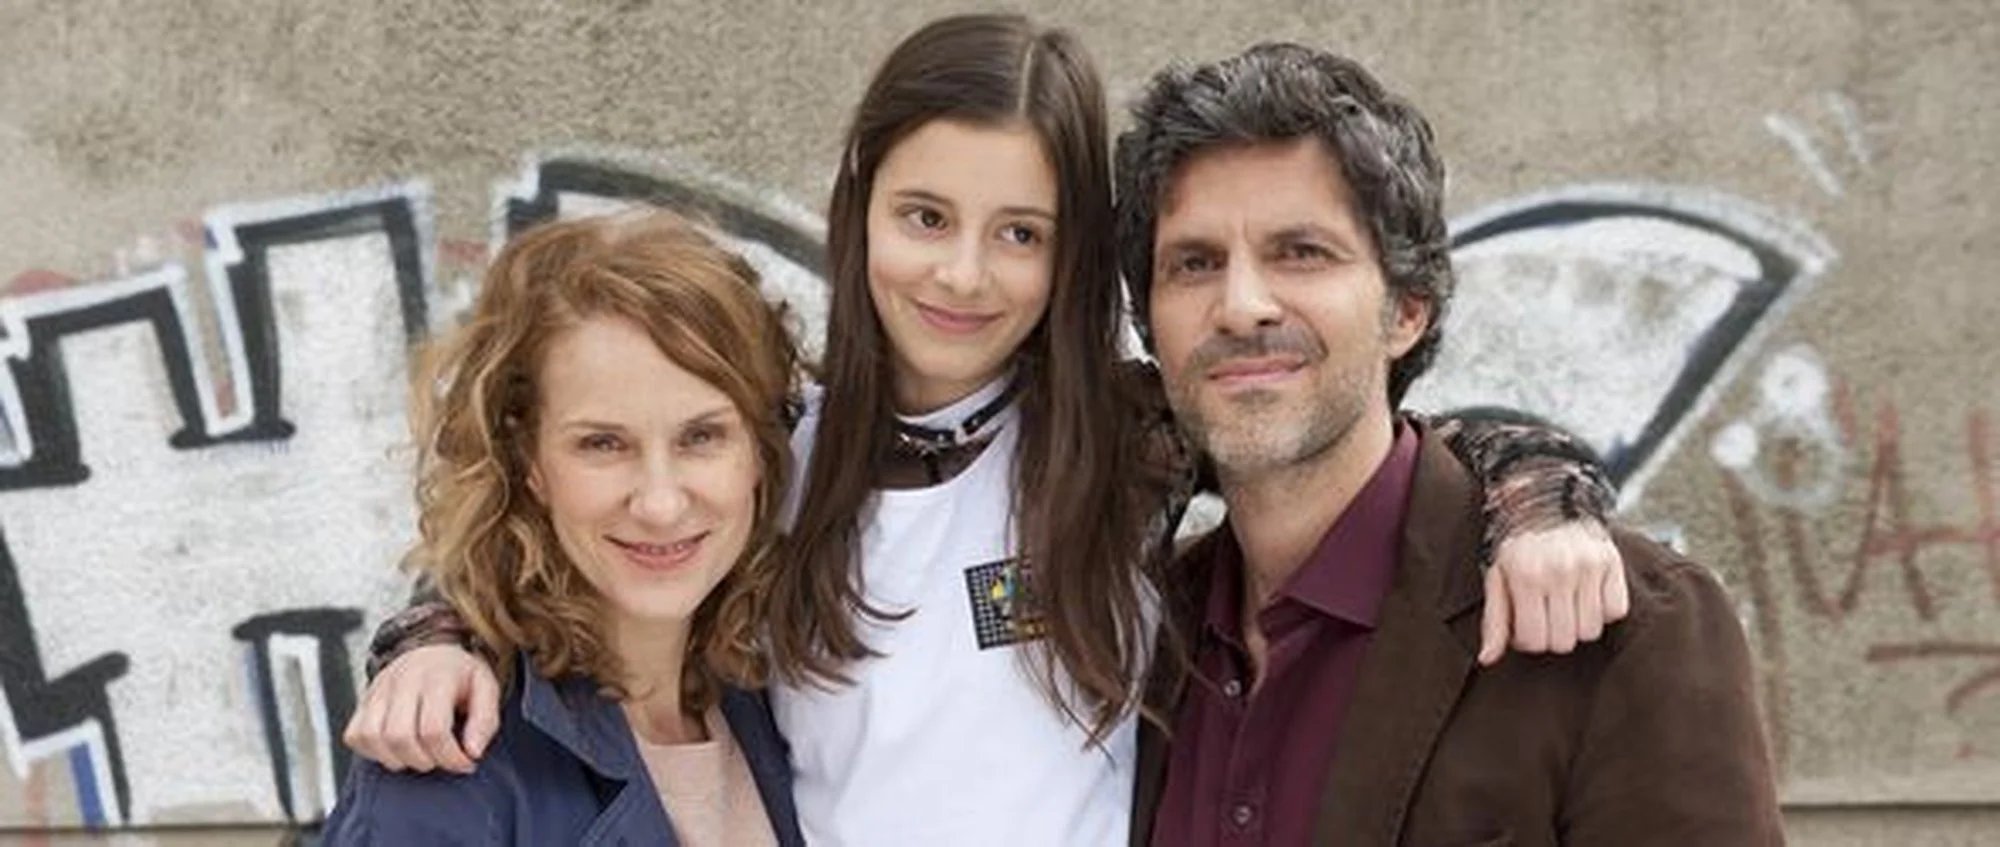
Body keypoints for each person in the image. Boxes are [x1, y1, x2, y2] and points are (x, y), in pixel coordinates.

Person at [343, 15, 1634, 847]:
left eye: (1019, 232)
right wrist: (437, 633)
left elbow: (1386, 436)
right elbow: (577, 534)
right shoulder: (777, 452)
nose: (963, 273)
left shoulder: (1123, 441)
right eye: (924, 217)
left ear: (1070, 254)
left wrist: (1539, 505)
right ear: (857, 207)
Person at [1115, 43, 1785, 846]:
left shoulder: (1623, 632)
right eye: (1194, 263)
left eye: (1301, 253)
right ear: (1150, 323)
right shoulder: (1127, 642)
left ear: (1407, 310)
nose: (1241, 305)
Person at [321, 213, 806, 846]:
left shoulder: (775, 695)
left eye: (702, 436)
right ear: (529, 461)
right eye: (603, 443)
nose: (660, 503)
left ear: (760, 451)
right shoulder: (445, 761)